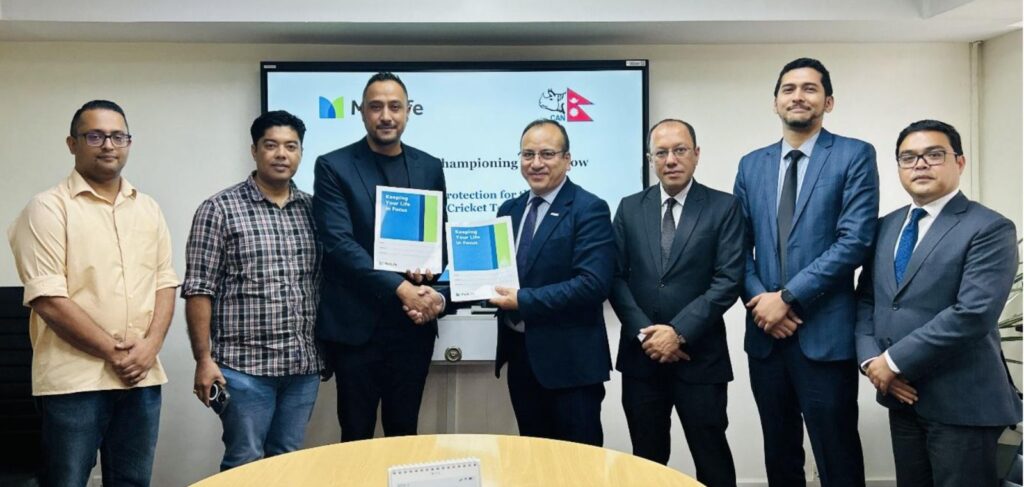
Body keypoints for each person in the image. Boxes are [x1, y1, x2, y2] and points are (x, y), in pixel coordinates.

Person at [7, 100, 179, 486]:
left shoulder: (148, 208)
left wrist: (150, 346)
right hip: (75, 381)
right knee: (65, 480)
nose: (108, 145)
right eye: (95, 136)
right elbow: (48, 299)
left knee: (133, 481)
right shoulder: (47, 208)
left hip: (140, 377)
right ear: (72, 144)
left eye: (118, 136)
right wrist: (114, 353)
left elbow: (164, 283)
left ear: (129, 143)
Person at [732, 58, 878, 486]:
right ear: (775, 102)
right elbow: (735, 246)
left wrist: (787, 298)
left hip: (824, 334)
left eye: (810, 88)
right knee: (779, 454)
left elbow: (854, 241)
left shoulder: (854, 155)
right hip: (765, 335)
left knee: (837, 454)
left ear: (828, 102)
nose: (798, 96)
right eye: (789, 89)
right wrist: (762, 303)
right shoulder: (751, 164)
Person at [855, 119, 1022, 486]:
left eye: (933, 154)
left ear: (959, 162)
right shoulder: (884, 226)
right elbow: (867, 299)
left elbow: (972, 314)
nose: (920, 165)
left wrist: (892, 362)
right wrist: (872, 363)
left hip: (964, 404)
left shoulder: (989, 227)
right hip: (902, 398)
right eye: (908, 157)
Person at [181, 110, 324, 470]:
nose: (281, 154)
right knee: (245, 463)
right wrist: (203, 359)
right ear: (254, 150)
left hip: (302, 367)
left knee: (287, 462)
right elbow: (199, 289)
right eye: (271, 145)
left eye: (291, 146)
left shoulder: (314, 210)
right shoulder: (219, 209)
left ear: (301, 152)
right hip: (244, 369)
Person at [313, 72, 448, 441]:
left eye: (394, 107)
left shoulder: (429, 166)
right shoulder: (333, 166)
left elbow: (438, 238)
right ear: (361, 111)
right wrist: (401, 288)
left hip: (412, 328)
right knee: (355, 436)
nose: (386, 116)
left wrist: (428, 274)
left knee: (404, 433)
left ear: (408, 111)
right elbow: (338, 244)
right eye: (376, 107)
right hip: (356, 330)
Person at [609, 119, 743, 485]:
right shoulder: (629, 208)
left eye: (680, 150)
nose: (671, 160)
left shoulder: (724, 207)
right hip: (641, 358)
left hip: (700, 357)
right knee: (647, 461)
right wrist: (646, 334)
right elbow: (615, 277)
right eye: (661, 152)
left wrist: (678, 332)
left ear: (696, 154)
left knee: (712, 457)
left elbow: (728, 280)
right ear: (650, 159)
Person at [489, 119, 616, 447]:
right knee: (533, 458)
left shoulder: (589, 209)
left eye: (547, 154)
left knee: (578, 464)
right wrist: (442, 295)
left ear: (567, 159)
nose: (536, 163)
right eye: (527, 154)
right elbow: (494, 277)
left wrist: (522, 300)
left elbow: (592, 284)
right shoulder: (510, 209)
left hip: (571, 365)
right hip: (521, 358)